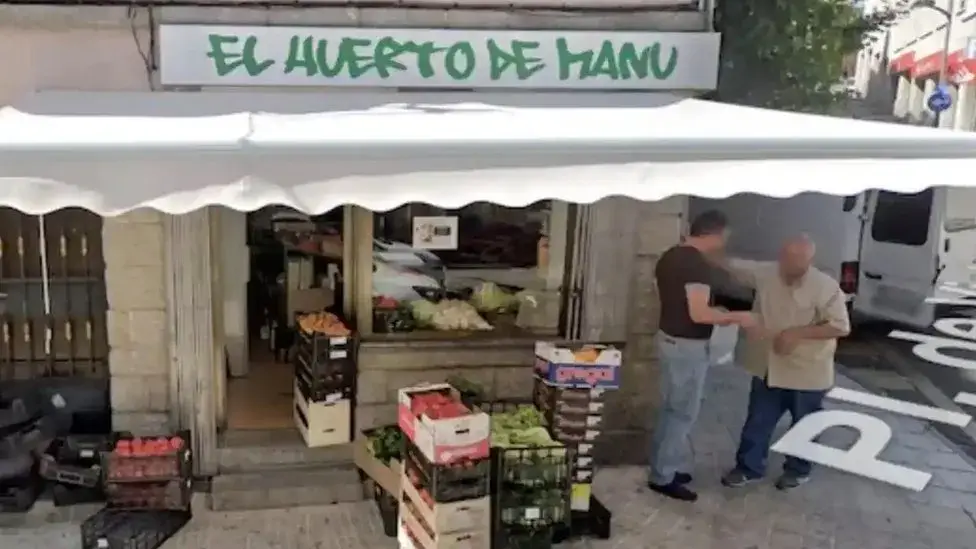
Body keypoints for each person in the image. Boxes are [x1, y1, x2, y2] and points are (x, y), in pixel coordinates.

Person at [717, 234, 850, 491]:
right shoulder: (767, 273)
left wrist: (797, 333)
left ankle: (798, 470)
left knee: (804, 424)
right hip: (769, 366)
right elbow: (736, 267)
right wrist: (711, 254)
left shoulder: (826, 286)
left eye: (799, 259)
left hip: (807, 371)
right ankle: (749, 468)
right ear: (781, 256)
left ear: (810, 260)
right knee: (758, 420)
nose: (792, 264)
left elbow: (840, 326)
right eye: (788, 257)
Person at [648, 210, 757, 502]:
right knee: (682, 413)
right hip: (686, 346)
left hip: (667, 338)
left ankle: (663, 467)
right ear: (714, 234)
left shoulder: (669, 255)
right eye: (723, 237)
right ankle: (663, 476)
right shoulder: (696, 266)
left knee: (671, 410)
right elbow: (698, 313)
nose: (723, 243)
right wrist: (737, 317)